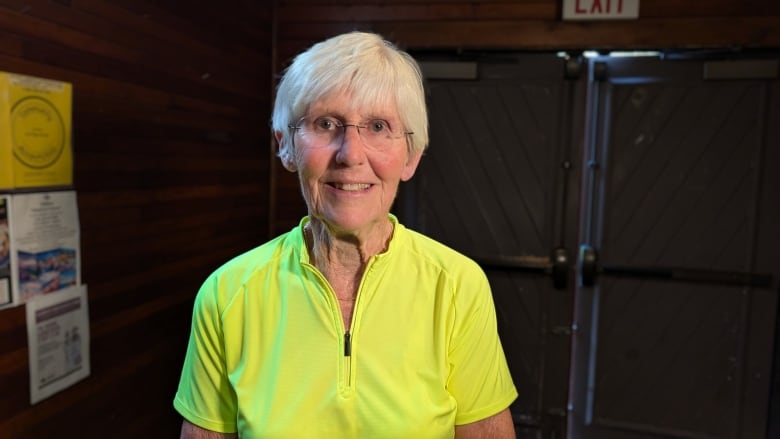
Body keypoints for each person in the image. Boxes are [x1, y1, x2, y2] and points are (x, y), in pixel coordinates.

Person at [174, 31, 518, 438]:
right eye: (326, 123)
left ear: (411, 156)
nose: (350, 154)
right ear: (286, 146)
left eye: (377, 126)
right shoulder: (228, 293)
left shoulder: (458, 286)